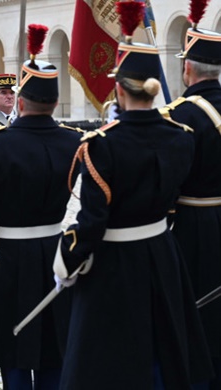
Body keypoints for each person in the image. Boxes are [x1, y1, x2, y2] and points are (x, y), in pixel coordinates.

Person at [53, 3, 213, 388]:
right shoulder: (180, 136)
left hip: (115, 260)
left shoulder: (101, 145)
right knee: (163, 338)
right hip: (162, 252)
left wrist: (67, 261)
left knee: (111, 351)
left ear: (119, 88)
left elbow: (92, 220)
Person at [0, 24, 81, 390]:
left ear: (22, 102)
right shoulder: (74, 143)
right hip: (55, 254)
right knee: (52, 342)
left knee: (13, 345)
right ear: (55, 103)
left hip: (9, 258)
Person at [158, 8, 221, 388]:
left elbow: (167, 185)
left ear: (188, 70)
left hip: (194, 227)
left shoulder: (180, 115)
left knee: (197, 312)